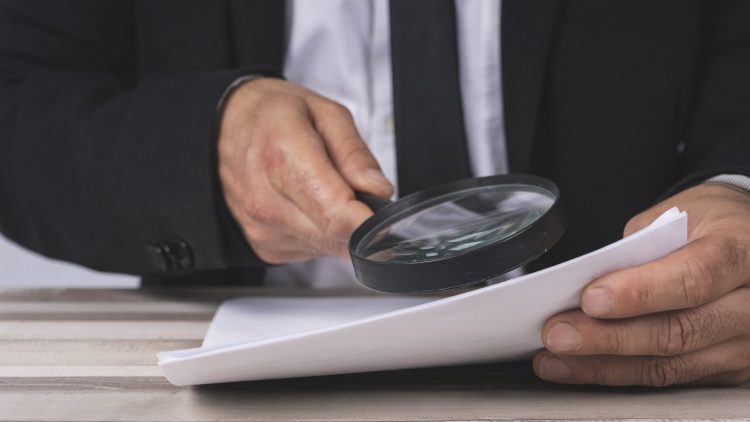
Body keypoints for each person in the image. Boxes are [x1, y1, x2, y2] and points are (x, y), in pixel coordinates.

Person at [1, 0, 749, 387]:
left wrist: (736, 190)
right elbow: (20, 93)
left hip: (615, 371)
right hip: (247, 384)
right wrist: (201, 145)